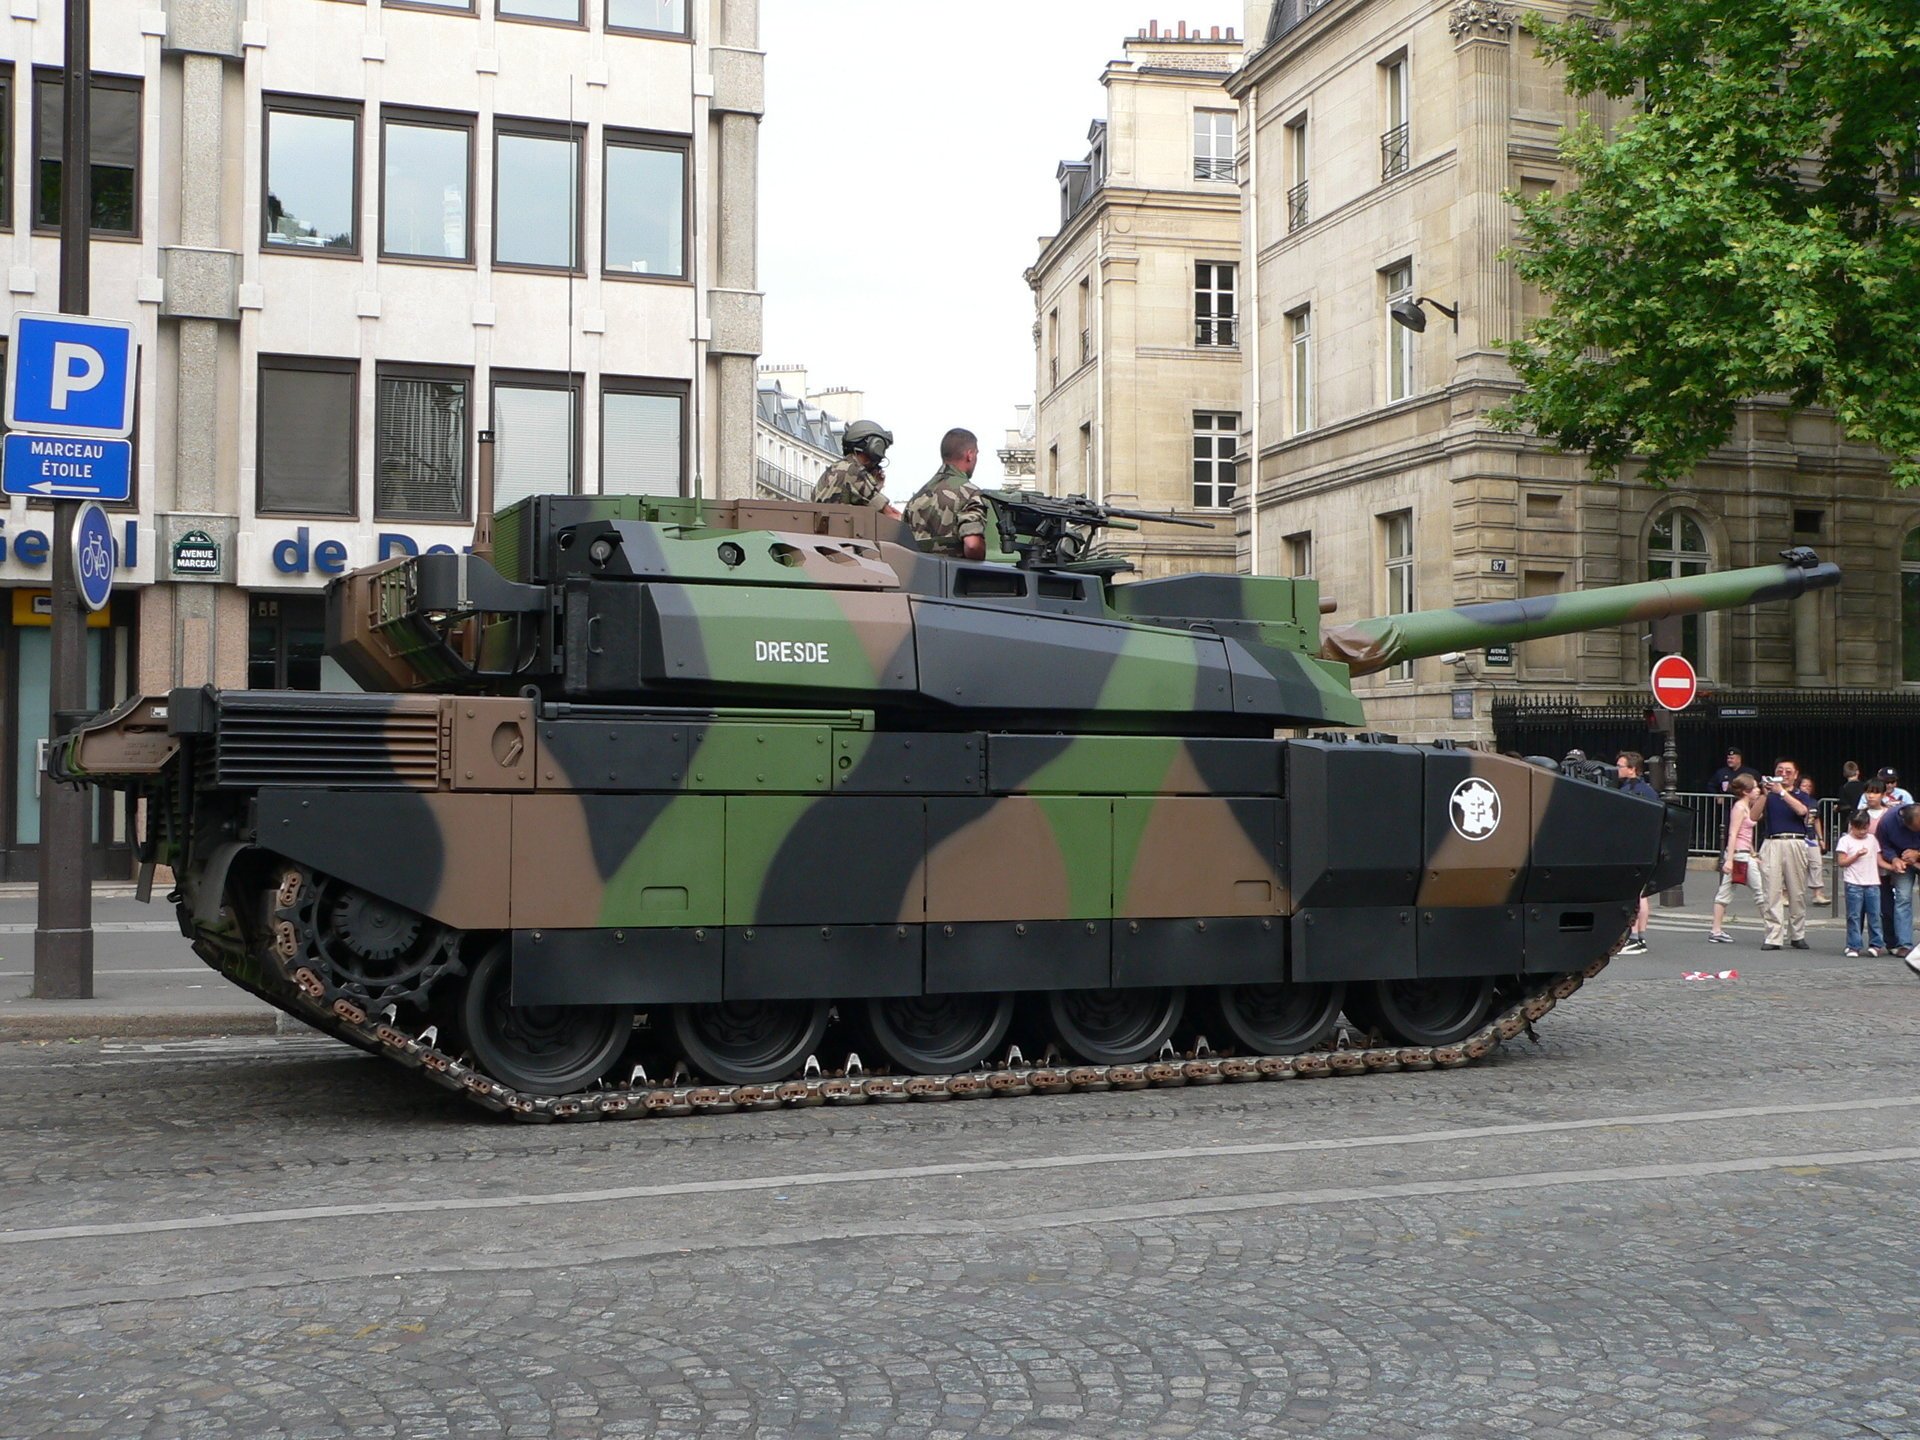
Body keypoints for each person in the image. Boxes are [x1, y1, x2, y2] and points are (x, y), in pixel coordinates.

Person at [1746, 757, 1815, 951]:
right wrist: (1764, 795)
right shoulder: (1769, 795)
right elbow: (1753, 817)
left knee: (1797, 890)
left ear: (1795, 776)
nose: (1783, 775)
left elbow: (1802, 811)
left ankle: (1797, 933)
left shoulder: (1800, 794)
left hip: (1795, 841)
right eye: (1780, 771)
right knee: (1771, 890)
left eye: (1788, 772)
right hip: (1772, 841)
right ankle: (1773, 935)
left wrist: (1782, 793)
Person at [905, 428, 991, 561]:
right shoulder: (969, 493)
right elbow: (972, 545)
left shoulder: (915, 500)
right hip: (953, 578)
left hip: (918, 578)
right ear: (970, 455)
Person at [1708, 774, 1766, 942]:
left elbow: (1745, 834)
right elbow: (1733, 833)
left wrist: (1752, 852)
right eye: (1754, 787)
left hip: (1743, 853)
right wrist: (1730, 859)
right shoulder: (1740, 808)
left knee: (1726, 892)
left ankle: (1716, 930)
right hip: (1739, 855)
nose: (1757, 790)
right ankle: (1771, 928)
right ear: (1746, 791)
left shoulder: (1746, 806)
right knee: (1760, 892)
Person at [1615, 751, 1658, 954]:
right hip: (1646, 847)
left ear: (1632, 769)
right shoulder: (1648, 790)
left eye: (1620, 766)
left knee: (1634, 894)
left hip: (1633, 849)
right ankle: (1639, 936)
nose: (1617, 769)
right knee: (1642, 894)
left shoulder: (1628, 790)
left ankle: (1633, 937)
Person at [813, 420, 903, 518]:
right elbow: (891, 514)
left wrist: (875, 487)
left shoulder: (838, 467)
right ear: (876, 446)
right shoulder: (853, 471)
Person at [1873, 801, 1920, 959]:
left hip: (1917, 856)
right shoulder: (1888, 821)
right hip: (1902, 861)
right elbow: (1883, 845)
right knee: (1903, 898)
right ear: (1905, 823)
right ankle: (1904, 944)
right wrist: (1893, 859)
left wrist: (1917, 854)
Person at [1837, 808, 1886, 958]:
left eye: (1865, 828)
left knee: (1875, 915)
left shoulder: (1872, 839)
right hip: (1853, 882)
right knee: (1854, 916)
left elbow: (1879, 860)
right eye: (1859, 828)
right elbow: (1842, 862)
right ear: (1852, 825)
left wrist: (1892, 866)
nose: (1863, 832)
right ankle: (1853, 945)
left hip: (1872, 882)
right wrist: (1856, 855)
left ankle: (1876, 944)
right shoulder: (1845, 840)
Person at [1798, 775, 1829, 907]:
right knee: (1795, 866)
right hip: (1798, 836)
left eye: (1809, 786)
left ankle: (1818, 893)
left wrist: (1821, 838)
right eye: (1804, 785)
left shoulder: (1813, 802)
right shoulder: (1792, 799)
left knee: (1816, 863)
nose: (1807, 788)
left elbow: (1816, 820)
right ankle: (1785, 893)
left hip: (1811, 837)